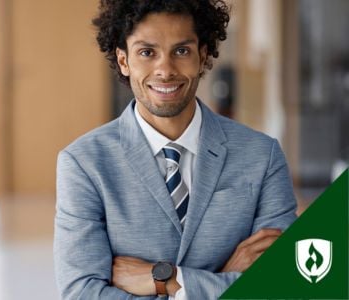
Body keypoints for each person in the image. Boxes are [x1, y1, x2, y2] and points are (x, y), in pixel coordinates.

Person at [53, 0, 297, 299]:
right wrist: (221, 280)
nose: (165, 70)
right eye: (147, 52)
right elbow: (81, 293)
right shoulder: (83, 163)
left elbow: (287, 284)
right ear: (123, 61)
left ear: (202, 55)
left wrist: (167, 280)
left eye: (181, 51)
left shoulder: (262, 155)